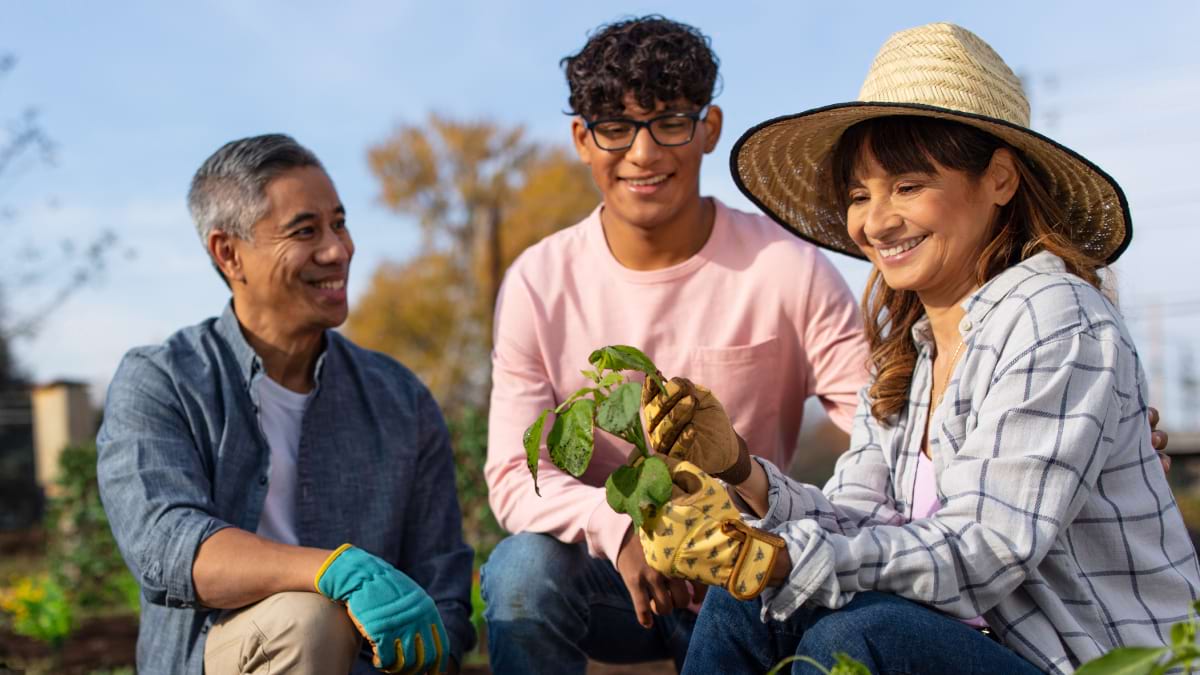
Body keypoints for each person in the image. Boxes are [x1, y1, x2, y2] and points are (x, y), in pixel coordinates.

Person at [637, 23, 1199, 675]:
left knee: (859, 636)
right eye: (858, 195)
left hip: (1087, 661)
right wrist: (740, 469)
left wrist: (783, 556)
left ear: (1000, 180)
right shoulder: (910, 356)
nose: (876, 221)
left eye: (907, 186)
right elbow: (854, 519)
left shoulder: (1055, 316)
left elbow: (988, 548)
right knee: (746, 602)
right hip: (968, 646)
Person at [480, 15, 871, 674]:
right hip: (611, 574)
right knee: (522, 570)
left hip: (743, 576)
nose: (643, 153)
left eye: (669, 121)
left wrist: (784, 535)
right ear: (582, 138)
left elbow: (877, 428)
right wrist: (621, 525)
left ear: (708, 128)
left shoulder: (786, 267)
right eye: (616, 127)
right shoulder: (539, 283)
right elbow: (515, 475)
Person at [96, 134, 473, 675]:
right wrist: (330, 570)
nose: (338, 250)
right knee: (308, 618)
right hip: (217, 659)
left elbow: (442, 574)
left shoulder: (400, 398)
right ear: (229, 253)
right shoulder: (161, 381)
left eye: (340, 224)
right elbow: (168, 546)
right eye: (306, 231)